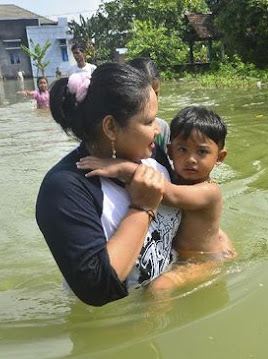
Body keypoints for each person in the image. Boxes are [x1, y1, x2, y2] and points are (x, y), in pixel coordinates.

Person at [35, 63, 182, 306]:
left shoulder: (150, 156)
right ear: (111, 128)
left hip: (163, 304)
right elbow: (97, 289)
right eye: (148, 122)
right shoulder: (64, 189)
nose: (157, 131)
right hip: (117, 326)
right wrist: (142, 208)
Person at [77, 106, 236, 290]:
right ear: (169, 151)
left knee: (160, 286)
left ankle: (156, 320)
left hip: (205, 260)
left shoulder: (210, 192)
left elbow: (169, 193)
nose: (191, 159)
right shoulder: (174, 176)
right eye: (182, 149)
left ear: (220, 157)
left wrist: (121, 167)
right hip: (181, 256)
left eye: (201, 152)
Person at [127, 58, 170, 153]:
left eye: (156, 93)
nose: (152, 100)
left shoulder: (162, 128)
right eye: (146, 96)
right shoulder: (122, 130)